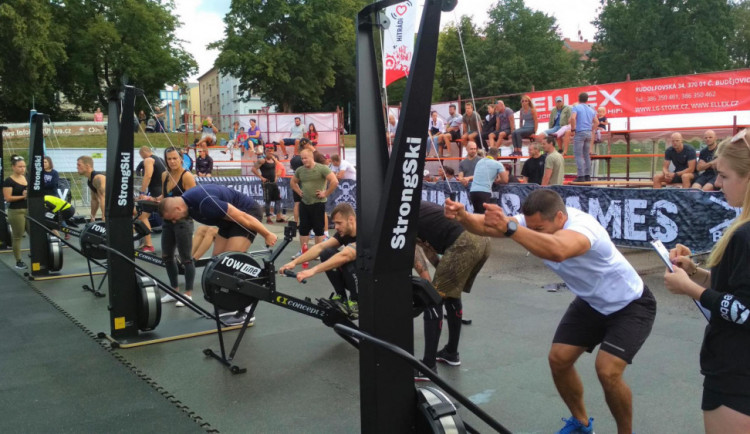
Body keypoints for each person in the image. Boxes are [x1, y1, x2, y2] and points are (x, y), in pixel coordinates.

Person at [445, 189, 656, 434]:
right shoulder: (534, 222)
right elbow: (486, 226)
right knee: (559, 360)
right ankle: (582, 424)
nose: (533, 234)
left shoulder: (585, 228)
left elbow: (558, 249)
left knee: (607, 371)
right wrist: (463, 216)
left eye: (539, 230)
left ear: (559, 217)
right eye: (530, 228)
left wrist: (511, 228)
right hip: (591, 302)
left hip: (630, 305)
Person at [663, 129, 750, 433]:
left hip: (736, 372)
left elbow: (744, 310)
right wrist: (697, 273)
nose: (718, 184)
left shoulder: (745, 235)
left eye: (724, 177)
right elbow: (739, 285)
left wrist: (692, 289)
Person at [159, 184, 278, 325]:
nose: (174, 222)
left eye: (173, 218)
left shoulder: (206, 203)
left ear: (178, 209)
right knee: (217, 265)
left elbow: (242, 216)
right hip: (227, 222)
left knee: (232, 264)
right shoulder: (187, 204)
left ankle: (246, 311)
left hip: (246, 213)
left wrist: (266, 233)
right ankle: (228, 306)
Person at [413, 201, 490, 380]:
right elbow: (428, 246)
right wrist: (442, 272)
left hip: (465, 241)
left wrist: (428, 286)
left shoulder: (402, 215)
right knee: (450, 294)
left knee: (432, 300)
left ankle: (428, 366)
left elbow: (413, 250)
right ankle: (451, 353)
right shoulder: (419, 210)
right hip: (482, 240)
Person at [279, 203, 360, 318]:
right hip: (356, 277)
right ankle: (341, 297)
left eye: (339, 223)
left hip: (372, 281)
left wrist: (313, 270)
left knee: (347, 261)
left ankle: (356, 302)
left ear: (351, 219)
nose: (335, 227)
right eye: (335, 223)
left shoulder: (365, 232)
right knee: (327, 252)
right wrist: (294, 262)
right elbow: (320, 247)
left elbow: (346, 255)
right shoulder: (344, 232)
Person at [153, 147, 197, 307]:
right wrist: (154, 199)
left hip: (183, 222)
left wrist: (178, 210)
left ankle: (188, 294)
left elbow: (193, 201)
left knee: (186, 258)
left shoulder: (187, 177)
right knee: (167, 256)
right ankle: (173, 291)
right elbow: (165, 197)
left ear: (181, 159)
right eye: (169, 159)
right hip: (167, 221)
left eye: (174, 158)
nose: (171, 162)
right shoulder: (165, 175)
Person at [290, 148, 339, 255]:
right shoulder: (300, 170)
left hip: (318, 203)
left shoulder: (322, 168)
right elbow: (293, 182)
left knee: (318, 229)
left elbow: (334, 181)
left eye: (305, 158)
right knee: (303, 229)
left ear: (311, 157)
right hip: (305, 203)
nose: (303, 160)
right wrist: (299, 191)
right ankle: (304, 252)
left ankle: (317, 252)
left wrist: (325, 193)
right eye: (302, 158)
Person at [136, 147, 166, 252]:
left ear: (144, 152)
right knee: (145, 216)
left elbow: (148, 175)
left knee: (143, 217)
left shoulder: (148, 160)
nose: (142, 158)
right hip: (162, 190)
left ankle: (148, 245)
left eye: (141, 155)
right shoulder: (160, 159)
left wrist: (142, 192)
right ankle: (146, 243)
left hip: (155, 191)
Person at [3, 155, 28, 269]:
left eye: (23, 166)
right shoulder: (8, 181)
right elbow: (8, 198)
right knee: (17, 236)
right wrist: (22, 197)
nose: (22, 169)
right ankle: (18, 261)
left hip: (29, 210)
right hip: (16, 211)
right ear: (13, 167)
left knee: (35, 234)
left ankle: (38, 257)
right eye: (19, 167)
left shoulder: (27, 177)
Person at [569, 92, 599, 182]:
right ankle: (587, 175)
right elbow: (597, 122)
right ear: (587, 99)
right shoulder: (591, 109)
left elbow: (573, 118)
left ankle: (580, 175)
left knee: (578, 154)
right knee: (586, 155)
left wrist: (573, 129)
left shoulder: (576, 107)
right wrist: (591, 129)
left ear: (579, 98)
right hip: (588, 132)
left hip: (579, 132)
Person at [252, 147, 285, 224]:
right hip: (267, 183)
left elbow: (279, 167)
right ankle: (268, 218)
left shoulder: (273, 160)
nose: (271, 154)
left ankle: (278, 217)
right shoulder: (262, 160)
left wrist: (276, 176)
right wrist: (261, 177)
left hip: (273, 183)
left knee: (278, 199)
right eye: (269, 152)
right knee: (268, 201)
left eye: (272, 152)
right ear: (265, 152)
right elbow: (253, 169)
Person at [469, 148, 508, 213]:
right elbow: (505, 180)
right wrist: (497, 181)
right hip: (484, 192)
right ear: (497, 156)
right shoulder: (498, 164)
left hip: (473, 191)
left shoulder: (479, 162)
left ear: (487, 154)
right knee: (485, 215)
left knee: (476, 214)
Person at [76, 155, 106, 222]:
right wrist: (92, 217)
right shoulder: (90, 180)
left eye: (79, 165)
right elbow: (94, 200)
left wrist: (104, 216)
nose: (77, 167)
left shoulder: (98, 178)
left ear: (87, 166)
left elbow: (103, 198)